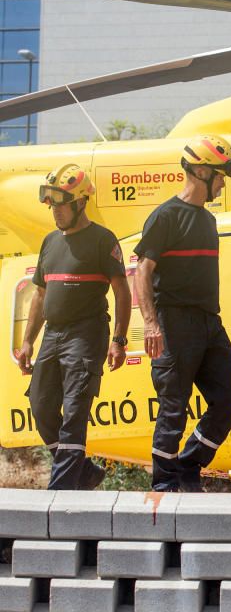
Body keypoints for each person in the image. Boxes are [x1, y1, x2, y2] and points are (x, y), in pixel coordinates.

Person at [134, 135, 231, 492]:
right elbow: (143, 272)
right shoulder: (165, 216)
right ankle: (164, 486)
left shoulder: (208, 221)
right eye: (220, 174)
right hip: (173, 321)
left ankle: (188, 465)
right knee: (173, 408)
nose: (223, 181)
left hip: (209, 321)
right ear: (200, 171)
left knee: (228, 398)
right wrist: (151, 324)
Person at [16, 164, 130, 490]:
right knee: (40, 406)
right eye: (51, 205)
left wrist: (119, 339)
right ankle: (84, 473)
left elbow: (122, 291)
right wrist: (27, 342)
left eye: (60, 204)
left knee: (75, 410)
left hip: (87, 332)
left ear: (81, 202)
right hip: (53, 334)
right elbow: (39, 296)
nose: (55, 211)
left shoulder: (102, 240)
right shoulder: (50, 243)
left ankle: (60, 493)